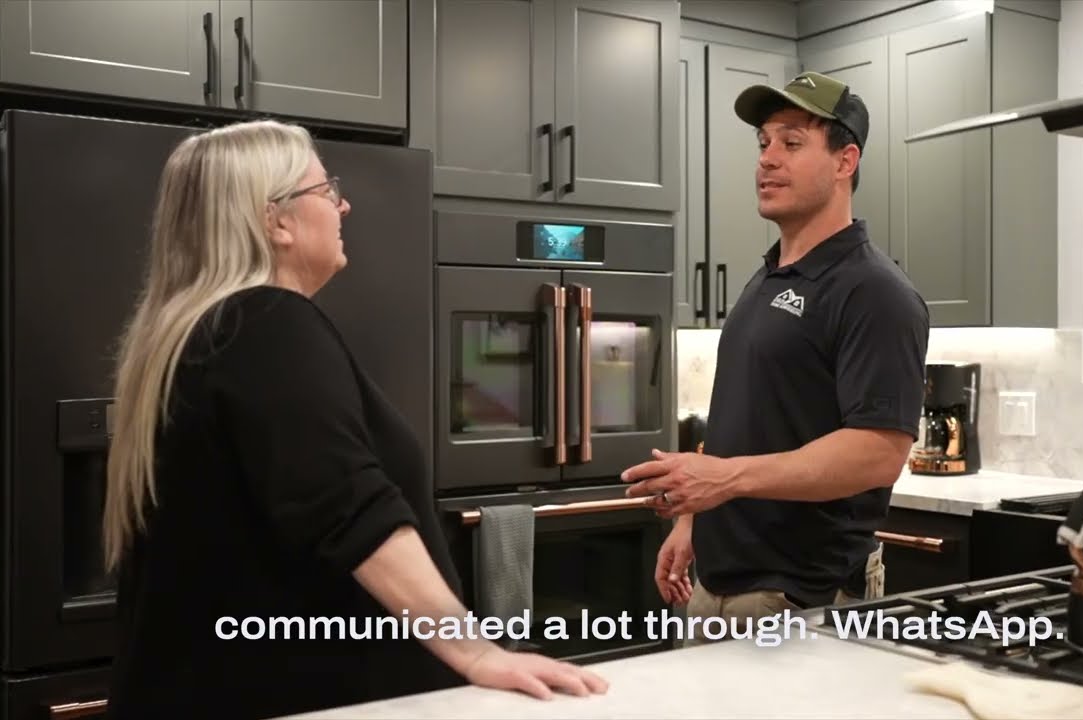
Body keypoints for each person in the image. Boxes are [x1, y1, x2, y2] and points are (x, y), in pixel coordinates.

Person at [101, 120, 607, 719]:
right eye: (326, 190)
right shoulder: (265, 324)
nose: (343, 205)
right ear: (277, 221)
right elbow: (351, 507)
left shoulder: (192, 337)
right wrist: (473, 651)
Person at [622, 72, 930, 644]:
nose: (767, 159)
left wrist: (724, 480)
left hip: (800, 597)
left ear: (845, 161)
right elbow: (748, 417)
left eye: (791, 142)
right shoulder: (768, 278)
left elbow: (878, 453)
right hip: (717, 584)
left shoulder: (875, 292)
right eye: (763, 142)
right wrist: (693, 518)